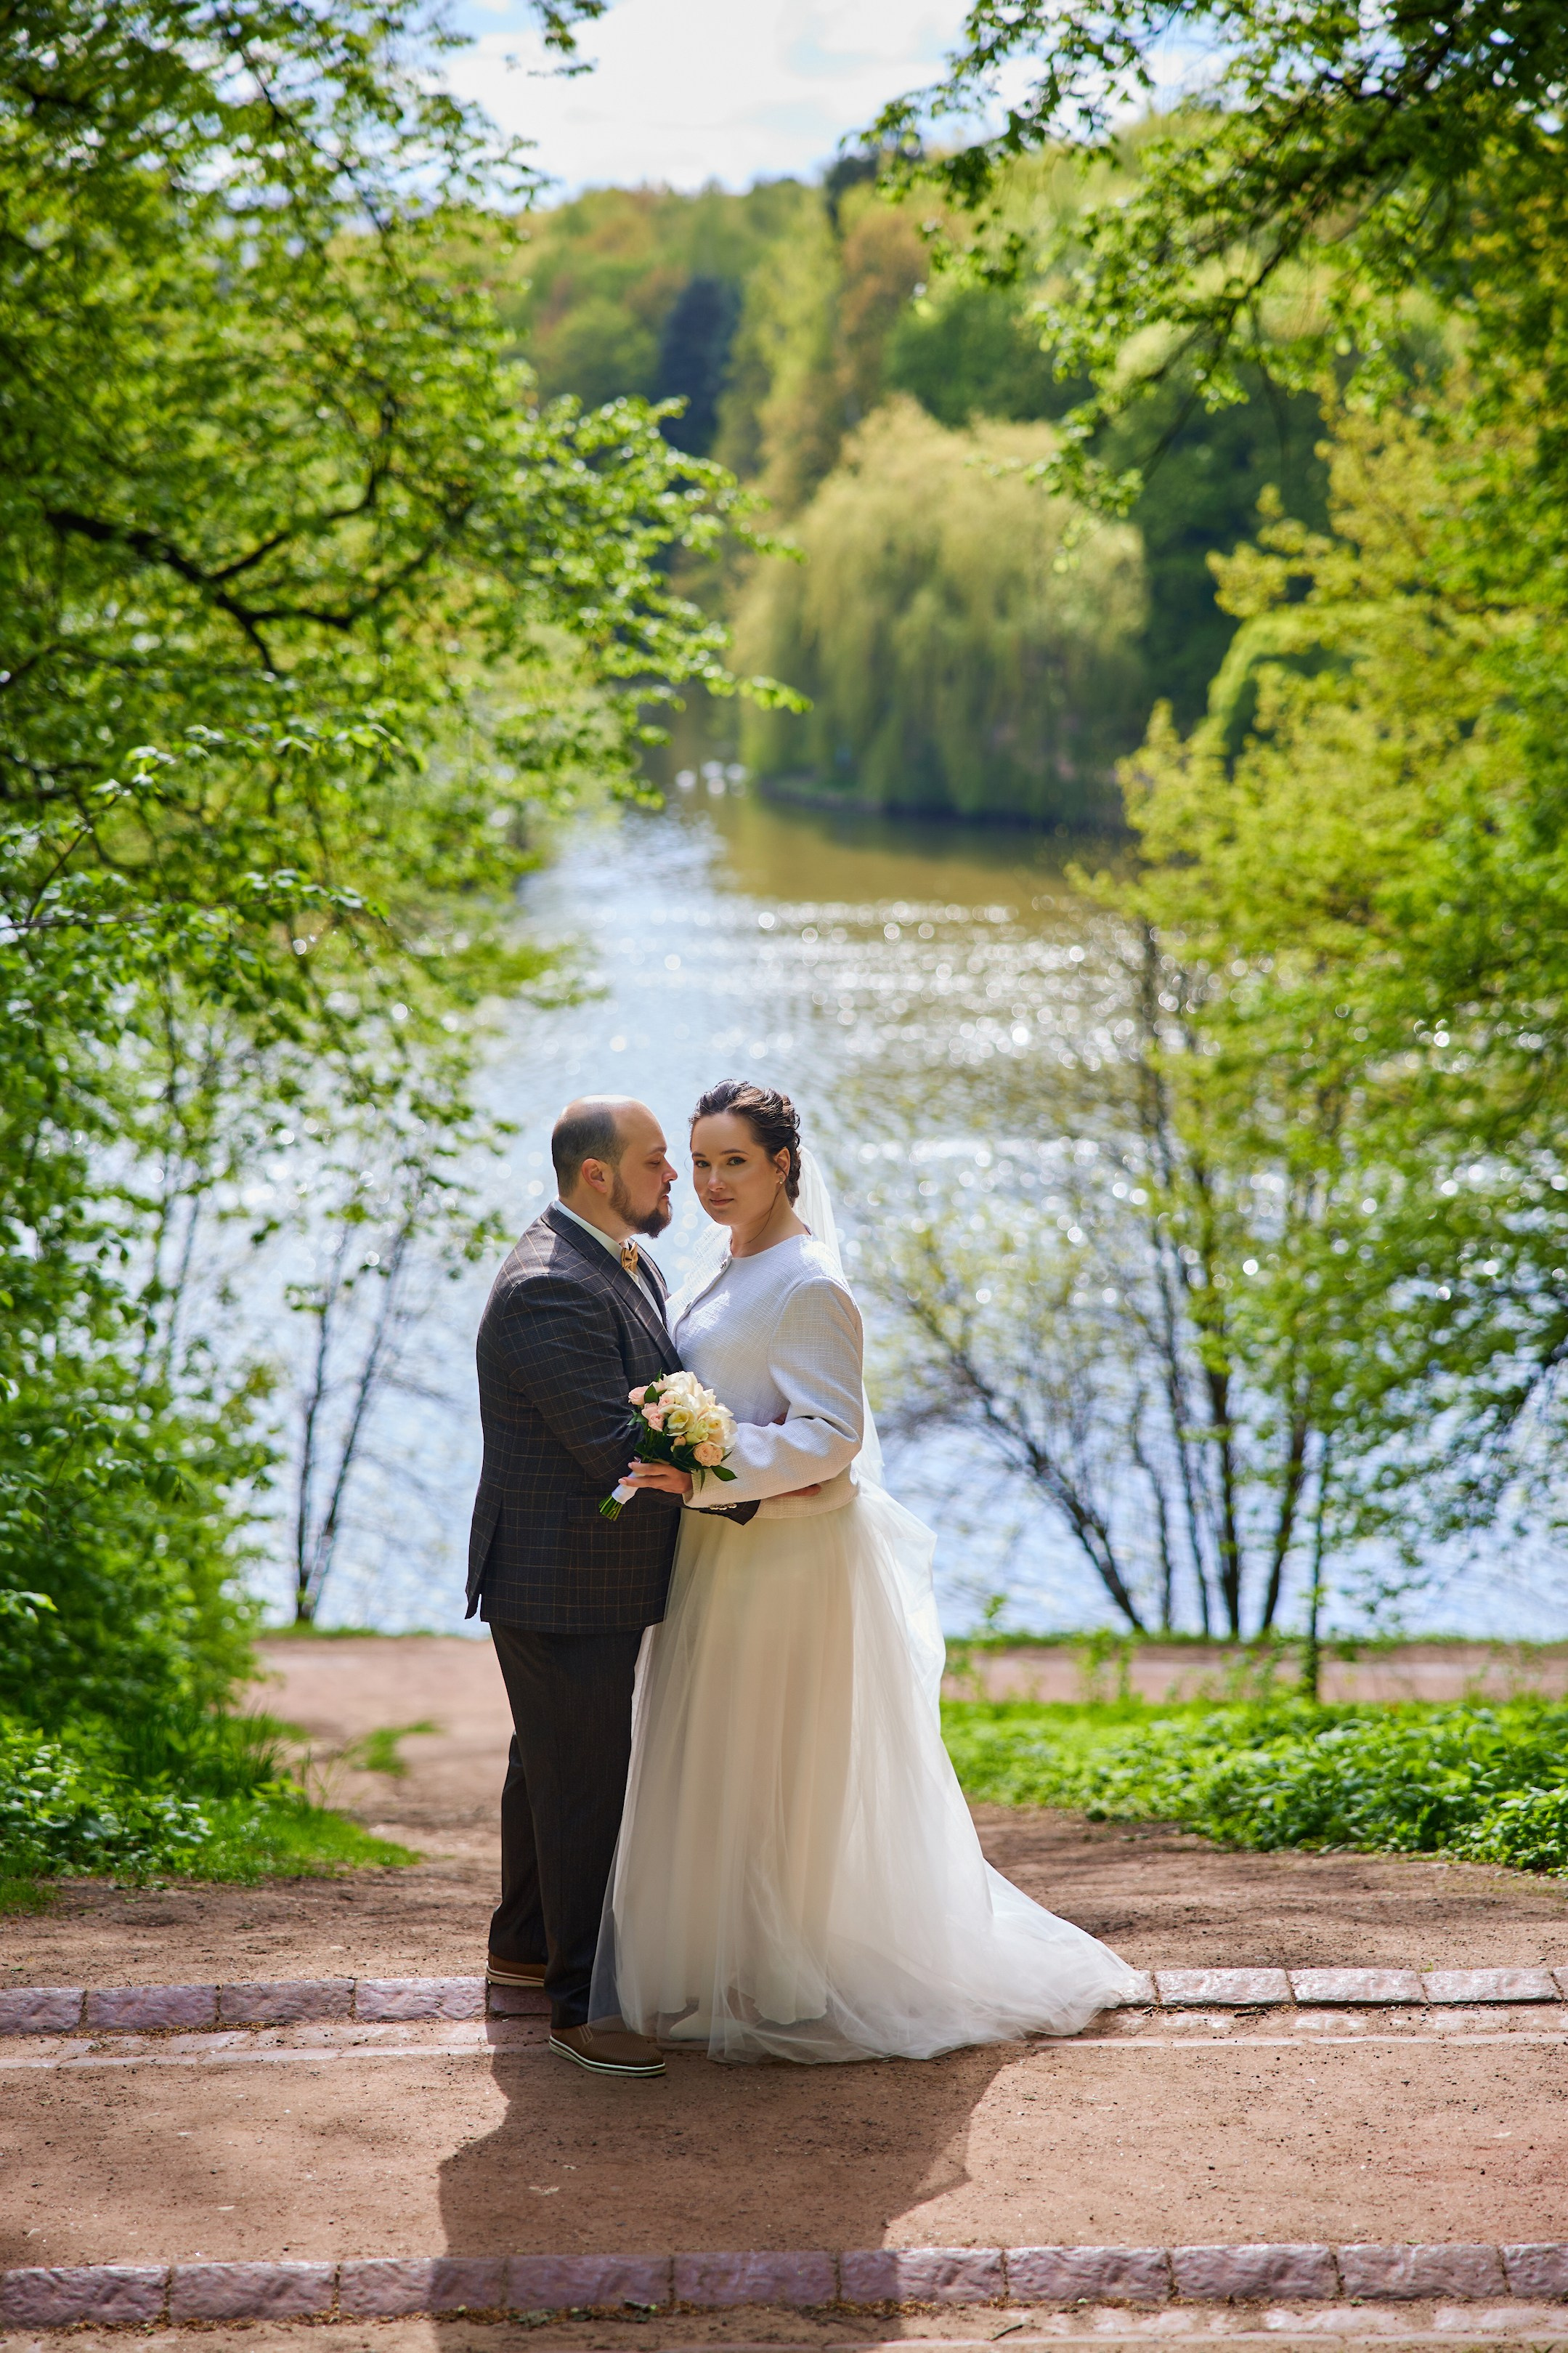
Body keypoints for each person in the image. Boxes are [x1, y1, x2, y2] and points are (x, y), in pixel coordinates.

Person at [595, 1078, 1140, 2062]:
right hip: (720, 1555)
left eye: (736, 1164)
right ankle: (709, 1962)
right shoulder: (726, 1263)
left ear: (783, 1166)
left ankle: (782, 1973)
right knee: (714, 1752)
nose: (713, 1182)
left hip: (785, 1565)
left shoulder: (810, 1283)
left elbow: (832, 1439)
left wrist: (707, 1465)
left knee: (772, 1763)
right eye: (703, 1161)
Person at [466, 1093, 757, 2081]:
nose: (678, 1177)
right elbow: (613, 1448)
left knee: (549, 1763)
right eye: (658, 1161)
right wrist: (755, 1479)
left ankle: (522, 1948)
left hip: (579, 1576)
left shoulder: (619, 1257)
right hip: (560, 1580)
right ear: (599, 1174)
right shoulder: (550, 1285)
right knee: (584, 1782)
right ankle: (581, 2006)